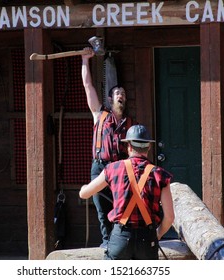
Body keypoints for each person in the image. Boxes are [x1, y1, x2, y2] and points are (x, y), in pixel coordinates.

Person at [79, 124, 175, 260]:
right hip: (147, 239)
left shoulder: (113, 169)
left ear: (129, 147)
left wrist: (83, 189)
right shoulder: (160, 175)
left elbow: (84, 194)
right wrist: (158, 234)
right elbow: (170, 217)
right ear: (148, 147)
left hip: (120, 237)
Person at [81, 47, 133, 248]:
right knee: (101, 206)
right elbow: (88, 86)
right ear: (110, 99)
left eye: (123, 93)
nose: (121, 94)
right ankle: (106, 241)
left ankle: (118, 240)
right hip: (100, 167)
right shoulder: (99, 114)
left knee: (121, 204)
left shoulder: (129, 123)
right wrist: (85, 60)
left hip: (119, 169)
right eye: (117, 92)